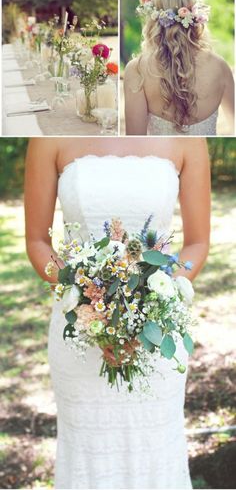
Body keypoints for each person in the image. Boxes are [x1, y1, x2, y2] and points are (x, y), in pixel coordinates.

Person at [24, 136, 210, 489]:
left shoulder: (189, 138)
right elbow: (37, 240)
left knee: (154, 456)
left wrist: (153, 305)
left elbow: (198, 241)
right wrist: (88, 304)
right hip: (79, 332)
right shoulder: (49, 137)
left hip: (157, 335)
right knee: (89, 457)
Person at [124, 0, 234, 136]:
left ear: (154, 18)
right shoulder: (220, 67)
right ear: (195, 14)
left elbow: (134, 139)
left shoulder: (137, 70)